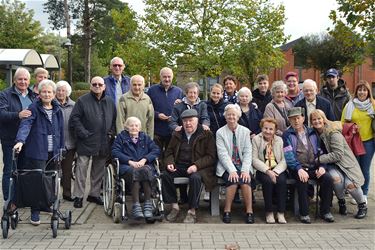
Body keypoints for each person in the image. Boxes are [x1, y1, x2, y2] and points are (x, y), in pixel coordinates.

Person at [13, 79, 64, 226]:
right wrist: (20, 141)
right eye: (44, 92)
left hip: (53, 152)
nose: (47, 94)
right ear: (39, 94)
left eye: (49, 92)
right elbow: (26, 125)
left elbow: (61, 131)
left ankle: (47, 204)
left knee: (51, 180)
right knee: (37, 181)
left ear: (54, 94)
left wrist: (61, 148)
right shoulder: (33, 108)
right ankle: (35, 212)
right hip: (37, 152)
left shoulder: (58, 110)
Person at [162, 109, 217, 223]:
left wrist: (196, 166)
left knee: (195, 178)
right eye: (185, 121)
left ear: (197, 121)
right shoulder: (177, 133)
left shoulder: (206, 134)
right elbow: (168, 152)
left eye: (191, 120)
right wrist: (170, 163)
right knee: (166, 175)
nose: (188, 123)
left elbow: (211, 156)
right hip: (179, 165)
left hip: (199, 167)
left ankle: (192, 210)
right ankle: (174, 207)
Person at [310, 109, 367, 219]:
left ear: (324, 119)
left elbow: (338, 154)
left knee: (350, 185)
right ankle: (341, 202)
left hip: (346, 164)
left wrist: (318, 159)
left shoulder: (333, 133)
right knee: (336, 179)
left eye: (319, 118)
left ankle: (362, 205)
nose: (317, 121)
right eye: (314, 120)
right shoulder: (314, 133)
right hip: (331, 165)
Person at [69, 76, 116, 208]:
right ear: (90, 86)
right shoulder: (82, 101)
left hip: (103, 142)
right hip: (86, 141)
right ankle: (78, 196)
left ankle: (94, 194)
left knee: (98, 170)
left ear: (104, 86)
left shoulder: (110, 102)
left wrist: (111, 133)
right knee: (81, 170)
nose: (97, 86)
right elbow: (75, 119)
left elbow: (114, 120)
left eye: (100, 84)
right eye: (94, 84)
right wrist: (83, 133)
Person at [283, 107, 334, 224]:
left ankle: (325, 211)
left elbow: (321, 151)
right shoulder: (287, 135)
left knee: (327, 178)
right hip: (297, 168)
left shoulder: (312, 132)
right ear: (289, 121)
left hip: (314, 166)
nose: (296, 121)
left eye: (298, 118)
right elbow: (289, 155)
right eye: (292, 119)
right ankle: (304, 213)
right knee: (302, 180)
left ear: (303, 118)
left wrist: (322, 166)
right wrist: (299, 169)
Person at [112, 117, 160, 219]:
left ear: (140, 127)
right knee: (136, 172)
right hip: (127, 166)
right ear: (126, 127)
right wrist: (130, 161)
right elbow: (115, 152)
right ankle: (136, 205)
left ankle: (147, 205)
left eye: (136, 125)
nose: (134, 127)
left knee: (145, 171)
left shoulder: (145, 137)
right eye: (131, 125)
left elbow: (156, 150)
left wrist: (144, 160)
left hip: (144, 165)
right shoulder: (121, 138)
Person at [0, 67, 36, 201]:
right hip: (11, 140)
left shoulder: (33, 95)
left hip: (29, 141)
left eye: (25, 79)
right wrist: (18, 115)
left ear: (29, 80)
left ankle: (20, 199)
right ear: (14, 80)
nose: (23, 82)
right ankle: (9, 201)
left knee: (24, 171)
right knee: (10, 171)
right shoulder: (5, 95)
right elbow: (1, 114)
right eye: (20, 79)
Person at [216, 104, 254, 224]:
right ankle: (227, 210)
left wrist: (245, 170)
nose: (231, 117)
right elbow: (222, 154)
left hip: (243, 165)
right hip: (227, 166)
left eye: (234, 115)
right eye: (229, 115)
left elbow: (248, 152)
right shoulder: (220, 132)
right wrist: (232, 170)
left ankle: (249, 211)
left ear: (238, 117)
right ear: (225, 117)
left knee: (245, 180)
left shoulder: (245, 131)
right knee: (232, 180)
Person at [341, 80, 375, 202]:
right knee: (355, 169)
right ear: (356, 92)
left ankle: (364, 194)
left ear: (368, 92)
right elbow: (342, 123)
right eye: (360, 90)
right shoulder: (349, 105)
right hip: (353, 142)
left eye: (364, 90)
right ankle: (356, 193)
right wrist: (351, 128)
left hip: (368, 142)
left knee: (365, 169)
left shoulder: (373, 105)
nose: (362, 92)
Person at [252, 118, 287, 224]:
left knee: (281, 181)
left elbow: (284, 159)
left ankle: (281, 212)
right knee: (267, 181)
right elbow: (254, 159)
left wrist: (276, 172)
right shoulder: (256, 139)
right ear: (262, 128)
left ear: (275, 130)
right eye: (265, 128)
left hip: (278, 169)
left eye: (271, 129)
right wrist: (268, 171)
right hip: (262, 169)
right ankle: (269, 212)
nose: (268, 131)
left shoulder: (279, 140)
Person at [147, 67, 183, 161]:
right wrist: (158, 115)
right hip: (157, 130)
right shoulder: (152, 90)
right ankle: (157, 173)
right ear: (160, 77)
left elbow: (183, 110)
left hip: (172, 130)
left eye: (169, 77)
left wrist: (175, 115)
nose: (167, 79)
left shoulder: (178, 91)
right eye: (164, 77)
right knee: (156, 155)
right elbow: (147, 109)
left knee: (170, 154)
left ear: (172, 77)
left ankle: (168, 172)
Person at [55, 80, 76, 201]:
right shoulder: (51, 105)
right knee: (54, 171)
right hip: (55, 145)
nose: (61, 93)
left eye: (63, 90)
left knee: (67, 171)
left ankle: (67, 194)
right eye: (58, 90)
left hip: (70, 144)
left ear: (67, 92)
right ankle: (51, 195)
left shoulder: (74, 106)